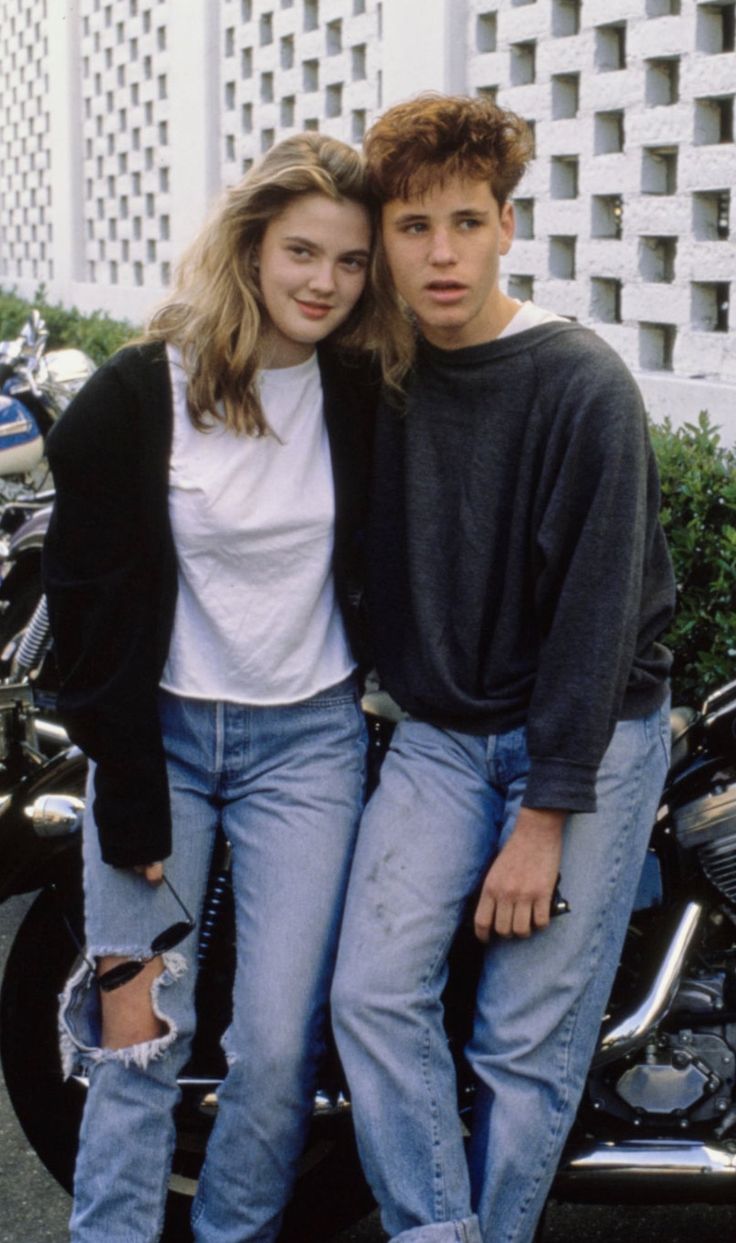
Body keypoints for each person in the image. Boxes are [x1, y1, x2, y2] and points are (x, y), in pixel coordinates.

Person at [331, 94, 677, 1243]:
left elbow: (596, 624)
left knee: (521, 1041)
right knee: (371, 994)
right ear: (381, 236)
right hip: (437, 731)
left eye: (466, 223)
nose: (441, 255)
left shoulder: (581, 385)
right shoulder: (377, 376)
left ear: (507, 229)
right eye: (413, 225)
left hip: (580, 734)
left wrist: (543, 814)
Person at [43, 132, 382, 1243]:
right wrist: (128, 778)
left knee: (279, 1046)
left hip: (310, 748)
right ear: (249, 245)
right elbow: (86, 610)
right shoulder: (138, 395)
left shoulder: (362, 394)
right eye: (301, 251)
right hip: (164, 744)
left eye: (349, 261)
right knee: (138, 1037)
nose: (324, 282)